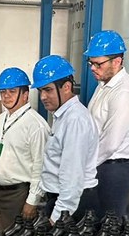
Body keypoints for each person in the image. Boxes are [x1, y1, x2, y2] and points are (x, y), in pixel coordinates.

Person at [83, 30, 129, 219]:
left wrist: (83, 167)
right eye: (91, 63)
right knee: (92, 218)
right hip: (100, 162)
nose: (93, 68)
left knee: (109, 222)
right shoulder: (104, 85)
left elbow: (110, 143)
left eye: (98, 64)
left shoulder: (124, 93)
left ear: (117, 61)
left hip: (114, 168)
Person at [31, 55, 99, 223]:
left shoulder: (75, 120)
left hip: (71, 204)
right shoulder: (63, 116)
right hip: (60, 199)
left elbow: (72, 176)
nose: (43, 97)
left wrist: (57, 219)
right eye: (40, 91)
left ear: (67, 87)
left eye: (48, 90)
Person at [0, 67, 50, 234]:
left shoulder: (35, 125)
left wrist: (32, 201)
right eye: (3, 92)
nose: (6, 96)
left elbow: (41, 166)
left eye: (12, 91)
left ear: (25, 94)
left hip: (17, 195)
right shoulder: (3, 117)